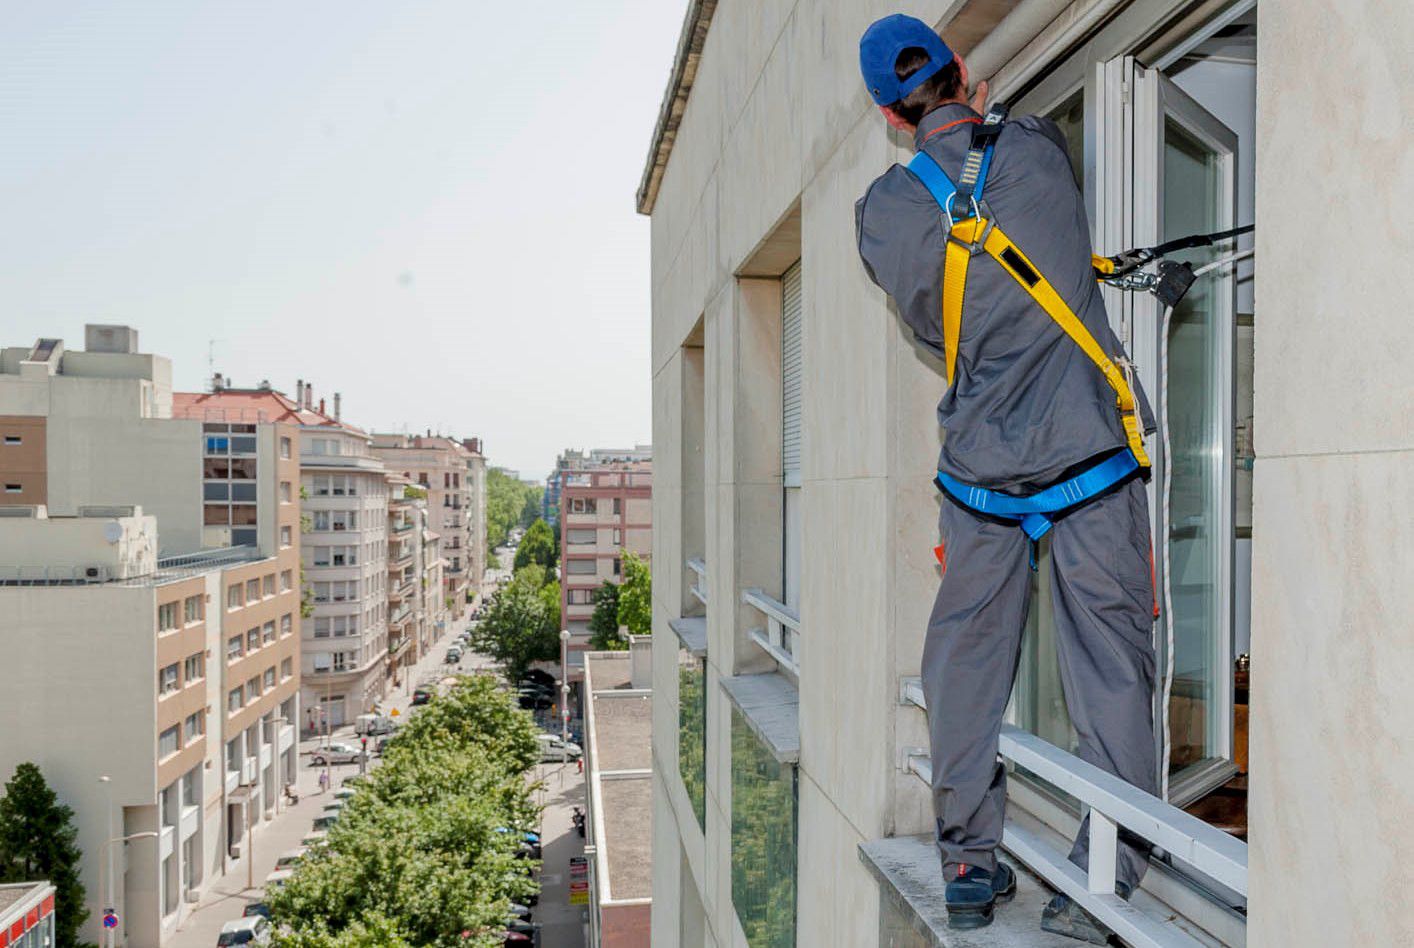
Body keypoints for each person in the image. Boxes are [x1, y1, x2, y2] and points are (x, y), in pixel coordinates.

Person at [855, 14, 1160, 942]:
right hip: (1090, 467)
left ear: (888, 114)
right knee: (1110, 672)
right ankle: (1097, 882)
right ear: (964, 75)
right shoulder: (1035, 148)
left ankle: (967, 867)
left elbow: (930, 332)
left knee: (965, 672)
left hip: (982, 479)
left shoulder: (882, 212)